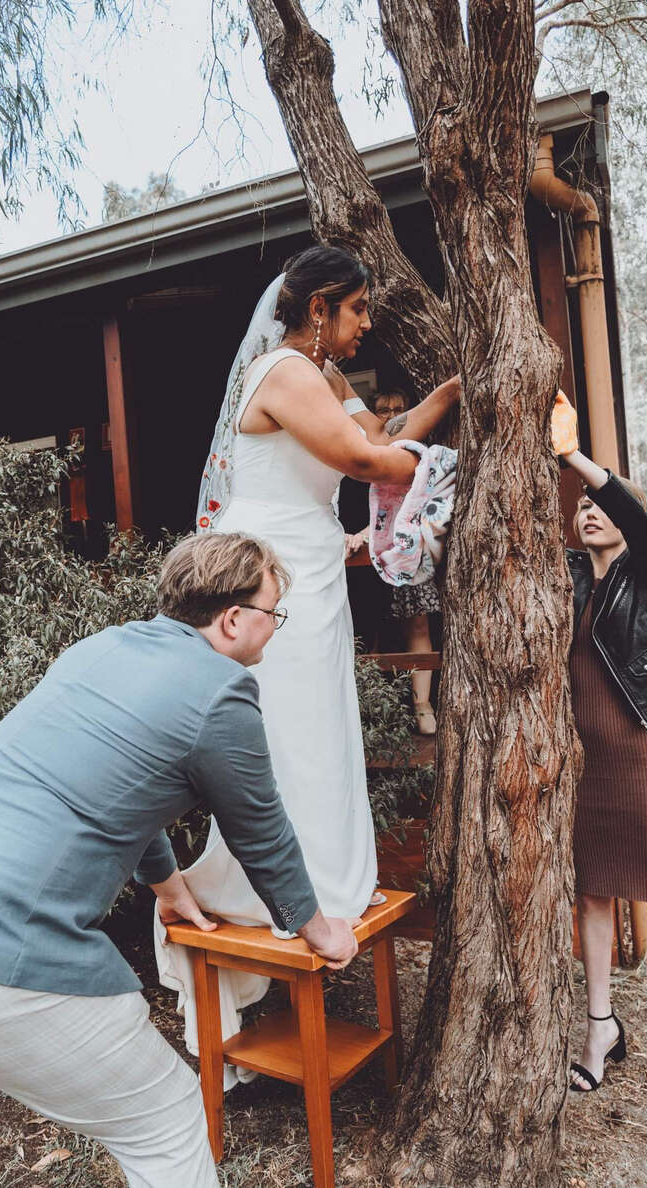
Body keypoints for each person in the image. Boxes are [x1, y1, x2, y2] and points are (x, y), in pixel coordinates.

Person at [0, 532, 359, 1188]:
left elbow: (118, 787)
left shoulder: (102, 648)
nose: (274, 628)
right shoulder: (222, 691)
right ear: (234, 619)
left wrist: (169, 887)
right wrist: (320, 930)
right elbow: (261, 835)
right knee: (170, 1122)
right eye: (274, 612)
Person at [184, 245, 459, 1045]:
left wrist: (446, 396)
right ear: (318, 309)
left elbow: (387, 431)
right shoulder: (282, 372)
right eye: (359, 309)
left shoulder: (327, 380)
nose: (367, 325)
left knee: (322, 726)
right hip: (270, 570)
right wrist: (437, 466)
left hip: (316, 565)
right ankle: (278, 889)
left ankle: (328, 880)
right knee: (283, 731)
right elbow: (363, 459)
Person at [551, 392, 647, 1120]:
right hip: (585, 773)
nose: (588, 509)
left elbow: (639, 520)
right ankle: (600, 1031)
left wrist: (573, 456)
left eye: (600, 502)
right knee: (593, 896)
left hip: (639, 764)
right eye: (579, 504)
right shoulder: (571, 580)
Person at [345, 388, 442, 732]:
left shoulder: (419, 455)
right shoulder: (360, 453)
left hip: (406, 549)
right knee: (366, 628)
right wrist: (350, 533)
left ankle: (422, 705)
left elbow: (414, 504)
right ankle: (370, 712)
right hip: (365, 560)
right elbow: (356, 506)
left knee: (417, 624)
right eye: (382, 409)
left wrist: (368, 532)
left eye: (398, 408)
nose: (390, 414)